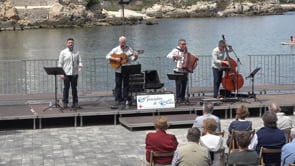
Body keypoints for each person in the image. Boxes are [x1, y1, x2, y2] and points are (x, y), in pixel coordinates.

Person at [106, 36, 139, 109]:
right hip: (118, 69)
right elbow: (107, 56)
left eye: (123, 42)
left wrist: (136, 56)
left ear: (125, 42)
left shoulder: (129, 49)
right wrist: (115, 58)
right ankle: (118, 99)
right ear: (119, 42)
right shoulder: (116, 49)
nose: (122, 44)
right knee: (118, 85)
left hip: (126, 69)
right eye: (121, 42)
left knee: (126, 85)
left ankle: (126, 99)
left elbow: (132, 59)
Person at [58, 38, 83, 109]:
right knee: (66, 88)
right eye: (69, 43)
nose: (71, 44)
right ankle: (65, 103)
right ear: (67, 44)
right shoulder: (63, 52)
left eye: (72, 43)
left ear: (73, 43)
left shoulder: (77, 51)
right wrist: (61, 73)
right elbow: (60, 63)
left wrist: (80, 66)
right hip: (66, 73)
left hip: (74, 73)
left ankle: (75, 103)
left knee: (74, 88)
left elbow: (80, 61)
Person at [166, 39, 189, 103]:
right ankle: (178, 98)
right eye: (183, 44)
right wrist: (174, 56)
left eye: (185, 44)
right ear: (179, 44)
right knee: (178, 84)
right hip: (178, 70)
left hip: (184, 70)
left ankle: (182, 97)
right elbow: (168, 55)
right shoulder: (176, 50)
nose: (184, 45)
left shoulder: (186, 50)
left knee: (184, 84)